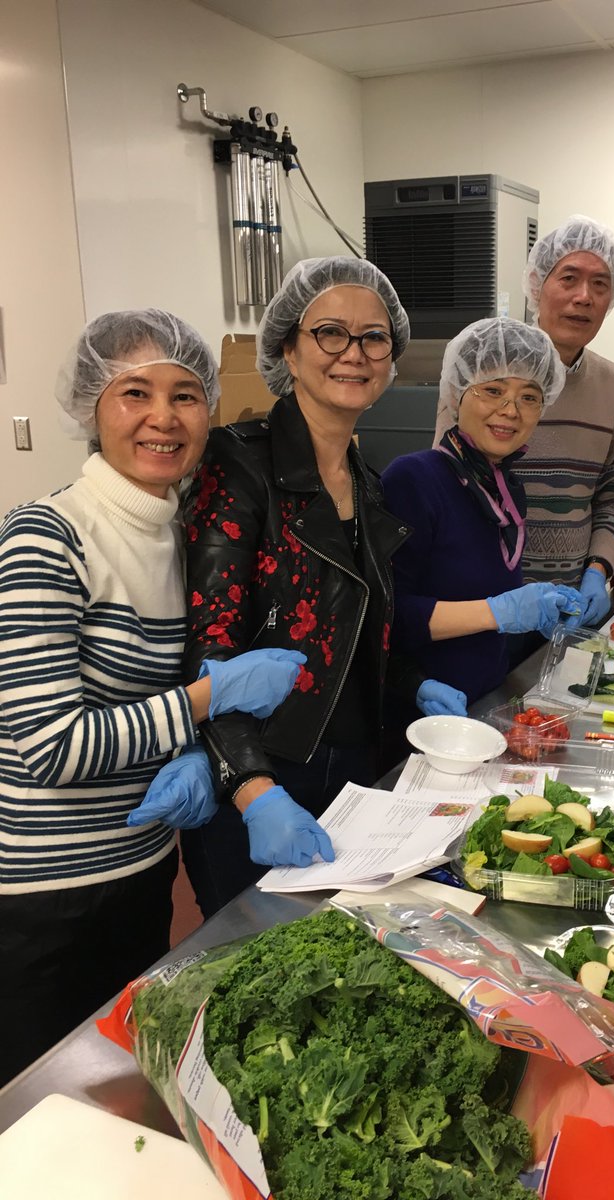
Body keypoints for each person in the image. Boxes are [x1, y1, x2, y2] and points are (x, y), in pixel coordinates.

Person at [0, 310, 305, 1086]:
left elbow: (140, 697)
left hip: (138, 871)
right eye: (134, 393)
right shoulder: (47, 537)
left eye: (186, 394)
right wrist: (207, 700)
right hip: (43, 898)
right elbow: (49, 747)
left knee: (125, 1085)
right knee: (44, 1107)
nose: (163, 418)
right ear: (91, 410)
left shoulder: (173, 537)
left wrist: (188, 756)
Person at [179, 257, 463, 919]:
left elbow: (355, 627)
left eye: (373, 337)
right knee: (249, 962)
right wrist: (254, 788)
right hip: (265, 771)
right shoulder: (238, 460)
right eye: (330, 333)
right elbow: (210, 646)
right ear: (289, 348)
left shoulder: (365, 477)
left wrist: (409, 681)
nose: (353, 354)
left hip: (356, 763)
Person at [434, 215, 614, 627]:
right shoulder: (484, 365)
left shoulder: (612, 385)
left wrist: (599, 570)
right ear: (536, 285)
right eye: (568, 278)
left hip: (571, 605)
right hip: (485, 605)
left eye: (600, 284)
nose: (584, 297)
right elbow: (446, 482)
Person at [381, 317, 581, 707]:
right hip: (426, 712)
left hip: (488, 698)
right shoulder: (414, 479)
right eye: (493, 390)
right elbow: (389, 614)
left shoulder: (507, 487)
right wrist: (499, 612)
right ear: (457, 393)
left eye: (529, 397)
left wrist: (535, 610)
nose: (510, 410)